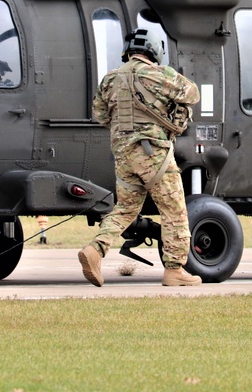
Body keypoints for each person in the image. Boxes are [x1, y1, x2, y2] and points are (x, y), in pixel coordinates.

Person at [79, 28, 202, 287]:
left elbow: (101, 116)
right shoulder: (159, 74)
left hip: (123, 155)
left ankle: (95, 250)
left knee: (125, 209)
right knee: (174, 210)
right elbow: (192, 94)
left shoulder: (110, 79)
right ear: (154, 51)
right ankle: (174, 270)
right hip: (153, 153)